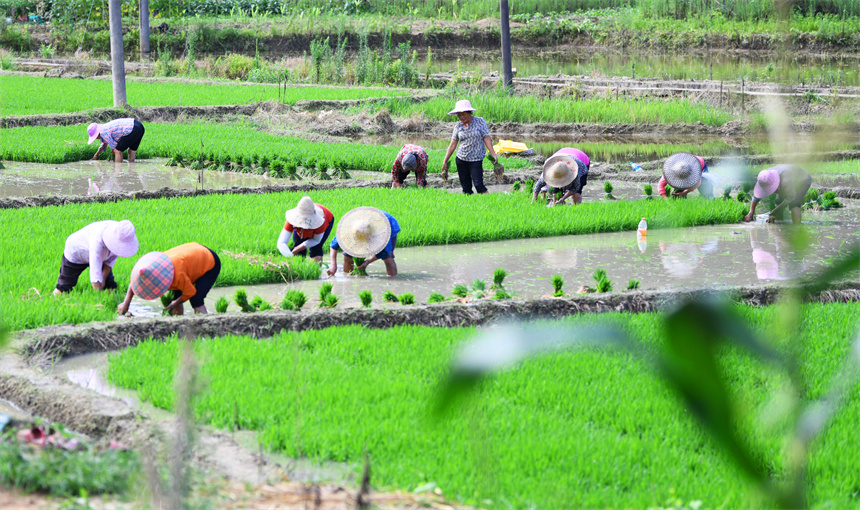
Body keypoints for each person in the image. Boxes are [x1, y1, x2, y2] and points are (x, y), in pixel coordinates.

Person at [117, 242, 221, 315]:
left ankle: (204, 326)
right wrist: (126, 303)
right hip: (190, 256)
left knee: (196, 299)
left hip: (209, 260)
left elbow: (190, 292)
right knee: (174, 295)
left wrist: (173, 304)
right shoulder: (149, 267)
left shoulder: (177, 275)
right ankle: (177, 322)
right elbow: (135, 282)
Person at [53, 220, 139, 295]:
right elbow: (95, 272)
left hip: (102, 255)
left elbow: (111, 260)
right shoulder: (98, 240)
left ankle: (111, 300)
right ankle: (55, 297)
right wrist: (98, 294)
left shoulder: (123, 233)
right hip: (76, 253)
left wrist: (103, 278)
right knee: (64, 286)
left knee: (110, 286)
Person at [441, 100, 499, 195]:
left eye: (463, 114)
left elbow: (486, 138)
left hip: (476, 159)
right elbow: (452, 145)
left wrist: (493, 154)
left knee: (479, 185)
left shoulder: (480, 121)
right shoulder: (458, 126)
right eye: (459, 115)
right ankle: (469, 203)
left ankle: (490, 201)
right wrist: (445, 161)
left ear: (469, 112)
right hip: (461, 159)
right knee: (466, 188)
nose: (461, 117)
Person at [326, 207, 400, 277]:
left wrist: (368, 262)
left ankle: (392, 281)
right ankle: (347, 277)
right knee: (347, 254)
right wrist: (333, 265)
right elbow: (333, 246)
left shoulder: (383, 233)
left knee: (388, 258)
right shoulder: (347, 232)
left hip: (388, 224)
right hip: (359, 226)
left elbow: (384, 252)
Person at [744, 165, 812, 224]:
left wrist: (775, 210)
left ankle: (797, 228)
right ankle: (779, 225)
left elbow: (790, 198)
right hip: (786, 179)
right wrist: (751, 212)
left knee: (794, 204)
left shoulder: (785, 180)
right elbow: (756, 197)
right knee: (778, 202)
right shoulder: (764, 177)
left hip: (802, 180)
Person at [277, 196, 334, 264]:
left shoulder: (320, 221)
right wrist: (290, 255)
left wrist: (299, 248)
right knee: (298, 244)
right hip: (304, 220)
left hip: (328, 219)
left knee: (316, 248)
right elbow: (281, 243)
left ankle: (316, 269)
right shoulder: (292, 219)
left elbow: (316, 240)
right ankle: (300, 268)